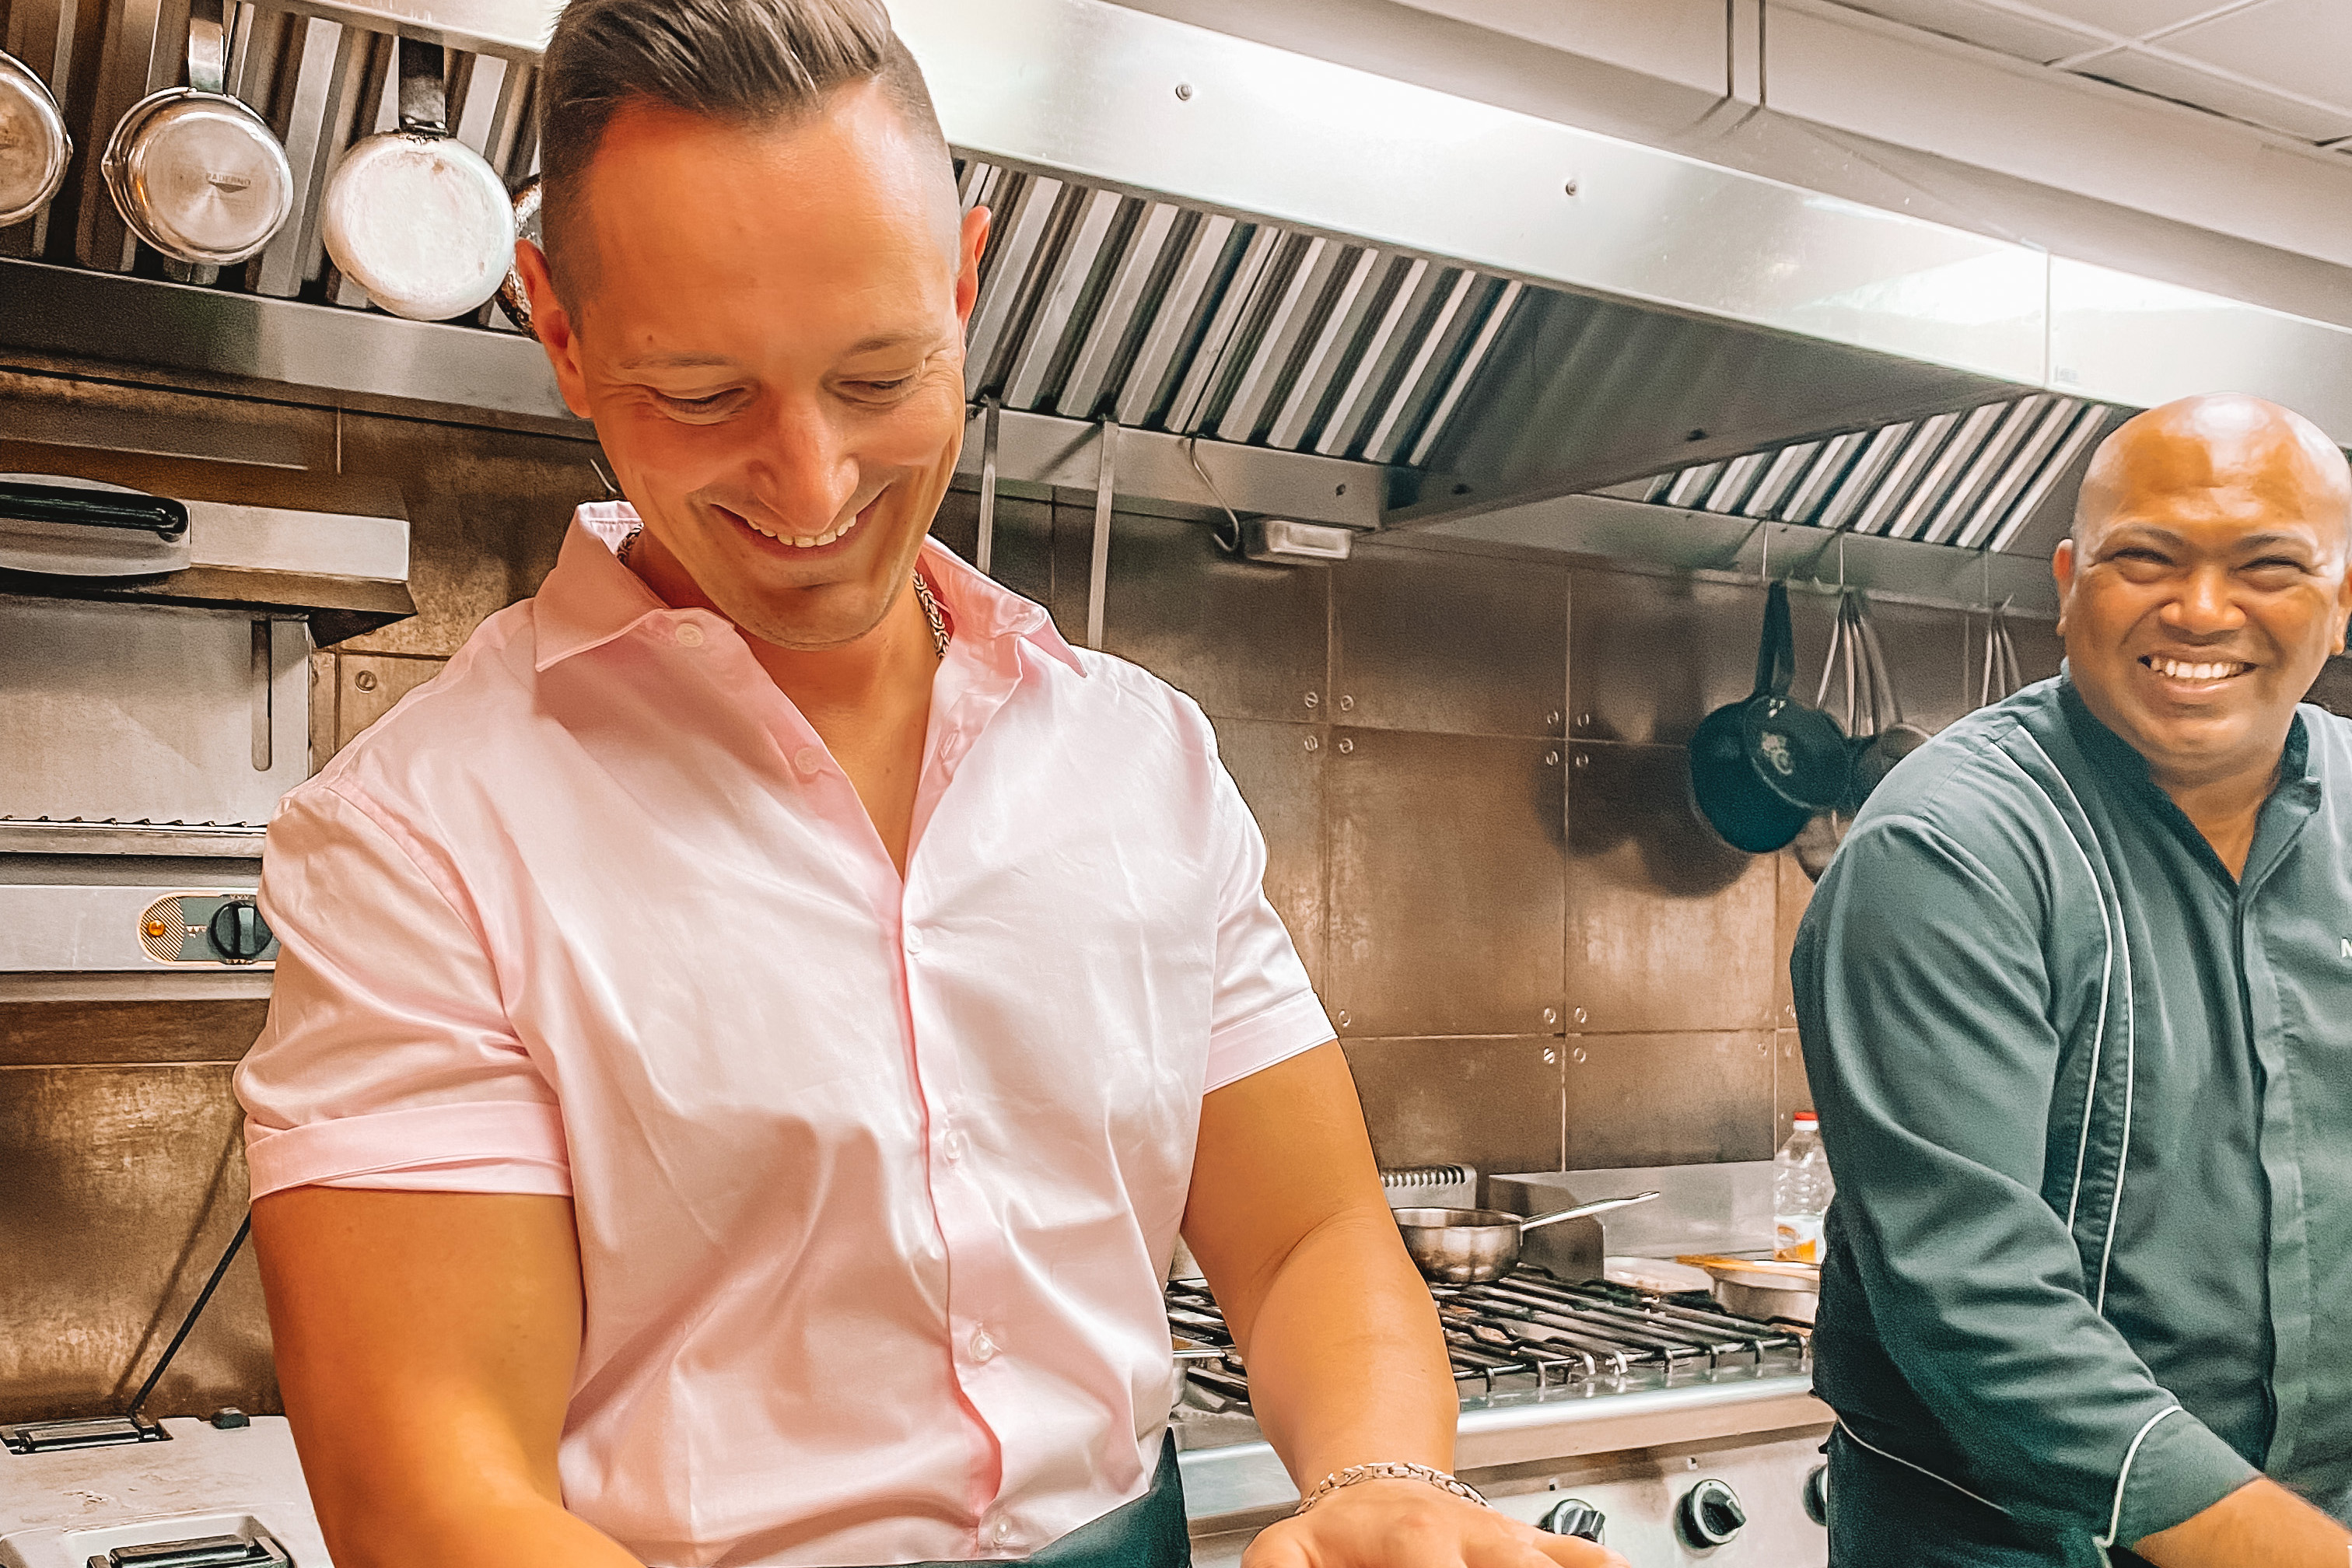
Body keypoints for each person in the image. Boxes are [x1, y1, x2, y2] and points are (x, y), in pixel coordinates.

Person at [232, 3, 1627, 1566]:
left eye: (880, 373)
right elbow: (435, 1494)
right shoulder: (422, 837)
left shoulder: (1142, 761)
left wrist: (1384, 1480)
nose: (812, 484)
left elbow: (1309, 1235)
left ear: (963, 284)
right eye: (701, 394)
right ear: (558, 331)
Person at [1792, 392, 2352, 1566]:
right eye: (2146, 558)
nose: (2202, 609)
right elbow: (1976, 1301)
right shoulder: (1946, 850)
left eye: (2266, 567)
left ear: (2342, 599)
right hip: (2013, 1543)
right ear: (2067, 584)